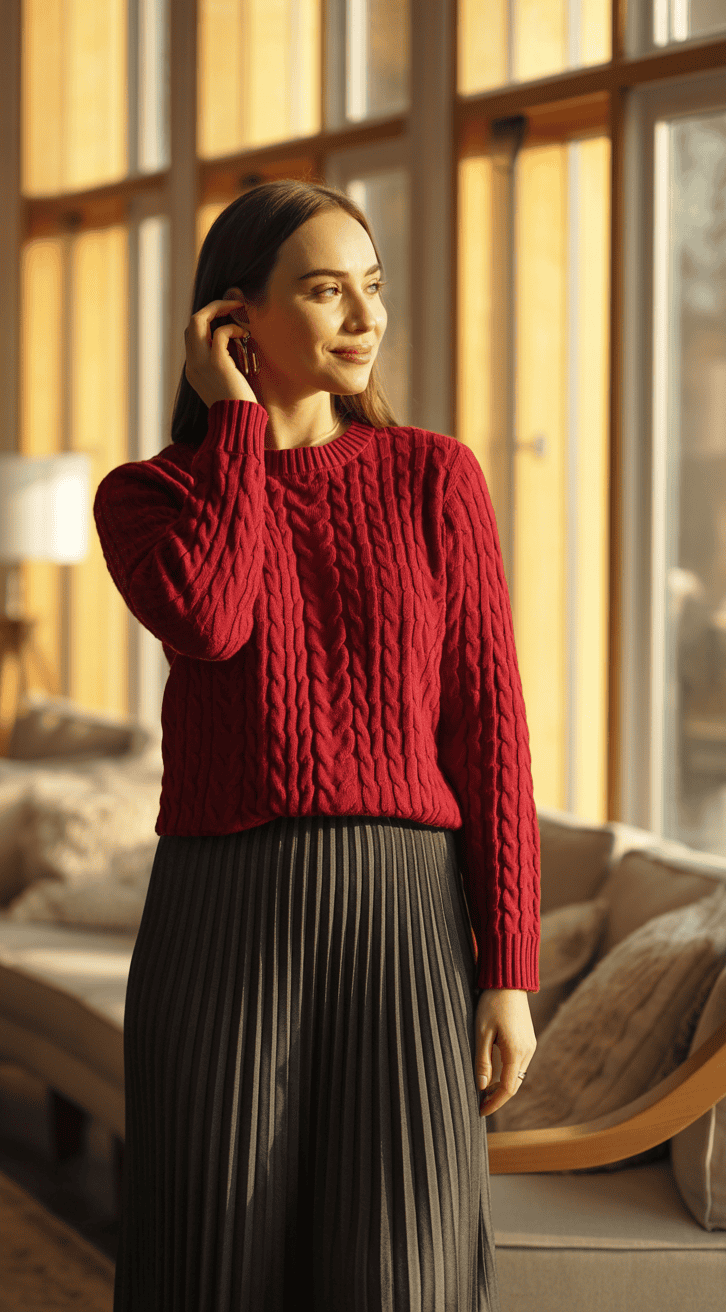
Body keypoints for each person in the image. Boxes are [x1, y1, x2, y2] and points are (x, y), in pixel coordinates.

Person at [93, 178, 540, 1312]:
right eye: (327, 291)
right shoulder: (148, 497)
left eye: (372, 290)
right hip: (219, 918)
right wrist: (236, 420)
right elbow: (212, 616)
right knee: (209, 1269)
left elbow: (488, 721)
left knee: (403, 1271)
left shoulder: (435, 476)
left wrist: (509, 970)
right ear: (235, 319)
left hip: (403, 916)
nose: (364, 318)